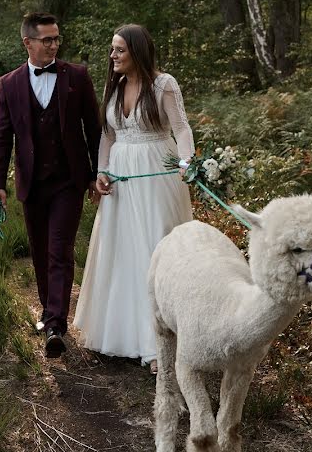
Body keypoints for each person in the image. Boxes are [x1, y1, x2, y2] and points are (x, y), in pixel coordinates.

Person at [72, 24, 194, 373]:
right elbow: (108, 136)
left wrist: (188, 162)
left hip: (156, 173)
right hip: (121, 180)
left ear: (137, 51)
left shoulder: (163, 84)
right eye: (112, 49)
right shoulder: (116, 87)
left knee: (153, 248)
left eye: (119, 50)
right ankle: (122, 332)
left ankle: (158, 345)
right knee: (122, 249)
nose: (112, 56)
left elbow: (181, 127)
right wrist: (102, 170)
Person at [0, 12, 102, 358]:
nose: (54, 45)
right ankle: (47, 308)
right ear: (28, 42)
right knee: (39, 252)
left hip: (69, 180)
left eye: (57, 39)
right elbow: (1, 136)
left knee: (59, 250)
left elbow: (94, 132)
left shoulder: (77, 77)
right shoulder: (9, 84)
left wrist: (97, 174)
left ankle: (56, 323)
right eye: (47, 40)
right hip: (32, 183)